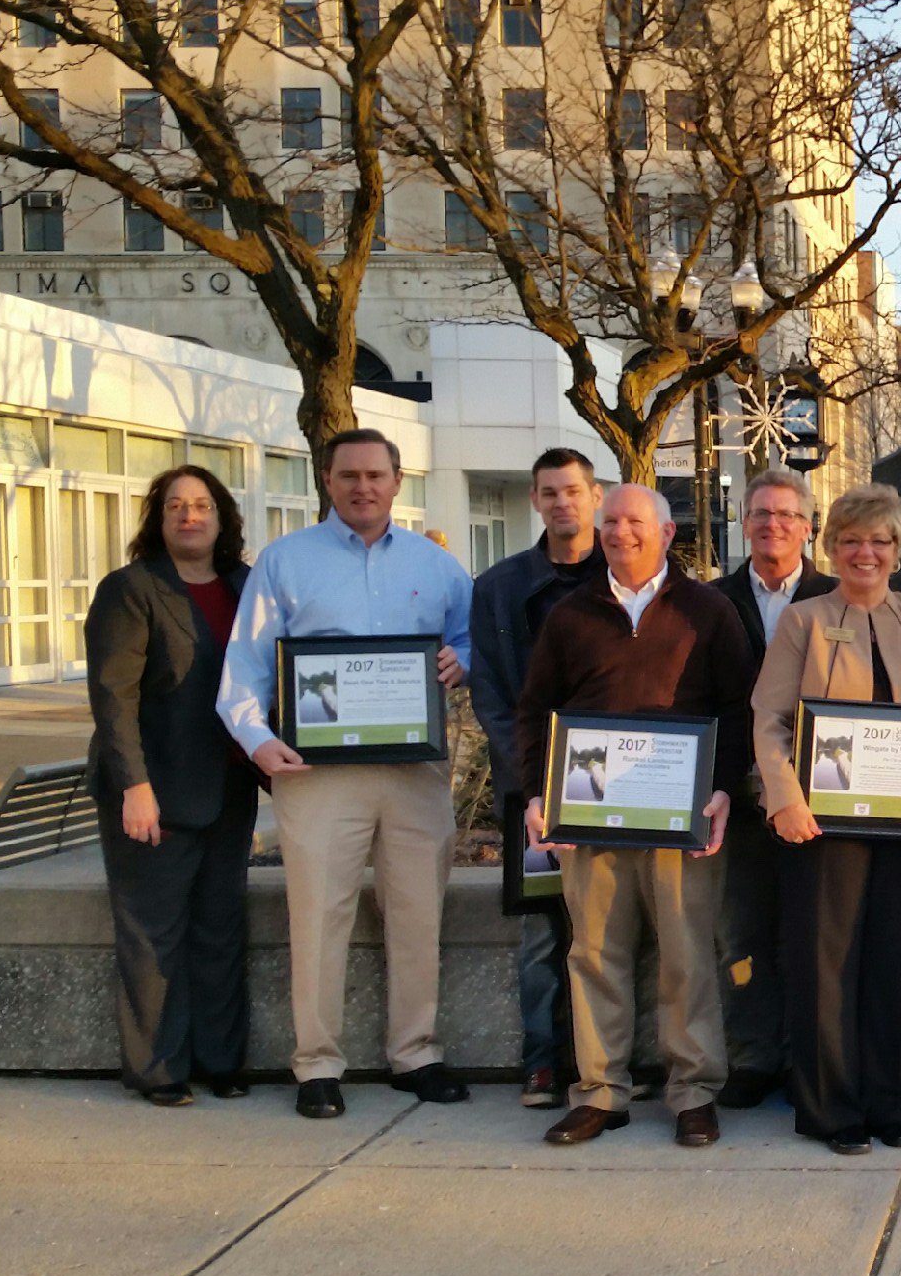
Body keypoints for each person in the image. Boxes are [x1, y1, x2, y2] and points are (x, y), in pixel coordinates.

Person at [218, 428, 473, 1120]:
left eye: (376, 475)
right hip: (317, 772)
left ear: (398, 481)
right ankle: (317, 1065)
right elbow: (243, 664)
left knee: (420, 913)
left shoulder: (438, 565)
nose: (363, 487)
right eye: (348, 475)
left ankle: (415, 1052)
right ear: (326, 481)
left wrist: (463, 661)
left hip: (412, 771)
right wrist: (257, 740)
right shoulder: (286, 562)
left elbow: (468, 635)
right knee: (319, 915)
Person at [517, 484, 756, 1147]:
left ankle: (693, 1090)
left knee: (687, 955)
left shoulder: (708, 611)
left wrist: (724, 790)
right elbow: (536, 710)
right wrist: (539, 794)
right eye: (612, 522)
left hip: (682, 816)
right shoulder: (570, 615)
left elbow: (739, 709)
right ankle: (600, 1090)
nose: (622, 533)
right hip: (591, 810)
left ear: (667, 533)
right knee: (594, 952)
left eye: (635, 523)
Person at [751, 483, 901, 1155]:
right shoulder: (804, 621)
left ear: (897, 550)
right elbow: (770, 720)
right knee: (826, 967)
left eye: (878, 541)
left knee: (895, 964)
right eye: (851, 540)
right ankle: (832, 1111)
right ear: (832, 547)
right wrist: (783, 797)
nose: (865, 552)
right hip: (821, 828)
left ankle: (893, 1104)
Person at [87, 465, 256, 1106]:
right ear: (158, 520)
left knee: (219, 928)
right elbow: (113, 695)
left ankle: (222, 1062)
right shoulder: (131, 590)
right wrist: (135, 786)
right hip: (153, 794)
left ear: (222, 518)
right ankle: (159, 1069)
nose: (190, 516)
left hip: (229, 788)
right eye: (176, 506)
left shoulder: (244, 585)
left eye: (202, 505)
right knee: (153, 934)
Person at [467, 449, 605, 1109]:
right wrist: (532, 779)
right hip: (535, 794)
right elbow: (491, 694)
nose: (562, 503)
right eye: (549, 492)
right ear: (535, 501)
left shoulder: (631, 574)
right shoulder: (497, 587)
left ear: (595, 495)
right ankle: (543, 1061)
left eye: (573, 490)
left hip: (618, 787)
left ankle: (605, 1059)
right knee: (544, 931)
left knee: (612, 927)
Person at [707, 469, 838, 1112]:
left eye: (786, 515)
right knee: (741, 936)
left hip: (820, 799)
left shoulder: (838, 597)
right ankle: (753, 1058)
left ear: (808, 526)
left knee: (812, 934)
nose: (773, 525)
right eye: (760, 514)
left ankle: (808, 1058)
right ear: (744, 523)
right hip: (736, 796)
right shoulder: (709, 600)